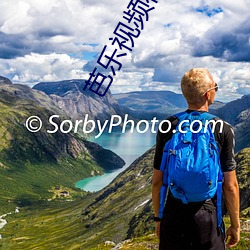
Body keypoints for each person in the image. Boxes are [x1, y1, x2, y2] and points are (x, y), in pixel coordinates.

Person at [152, 68, 240, 250]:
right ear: (208, 94)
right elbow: (230, 185)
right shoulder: (222, 129)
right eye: (216, 87)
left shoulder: (168, 125)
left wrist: (158, 218)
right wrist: (235, 225)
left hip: (174, 212)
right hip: (207, 215)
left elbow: (157, 181)